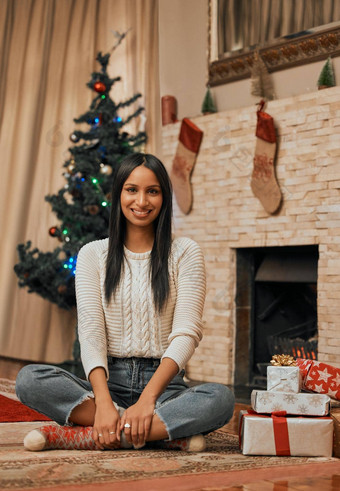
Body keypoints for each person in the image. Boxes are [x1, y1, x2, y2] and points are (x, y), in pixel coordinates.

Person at [16, 153, 235, 452]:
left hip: (164, 387)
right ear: (119, 193)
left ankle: (87, 435)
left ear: (164, 197)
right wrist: (104, 402)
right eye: (132, 190)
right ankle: (158, 433)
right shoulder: (93, 254)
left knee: (220, 400)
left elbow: (187, 333)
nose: (141, 201)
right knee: (29, 380)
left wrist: (147, 400)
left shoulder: (185, 252)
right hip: (108, 382)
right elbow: (91, 331)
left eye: (152, 191)